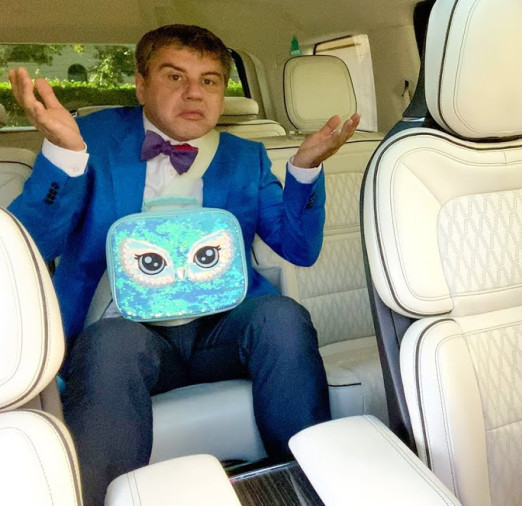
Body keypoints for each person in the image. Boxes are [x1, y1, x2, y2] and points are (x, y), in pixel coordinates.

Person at [8, 24, 360, 505]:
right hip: (127, 332)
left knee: (282, 316)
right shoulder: (90, 139)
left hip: (221, 331)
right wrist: (65, 156)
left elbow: (299, 249)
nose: (195, 93)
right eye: (175, 77)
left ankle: (310, 486)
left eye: (210, 81)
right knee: (112, 343)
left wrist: (304, 169)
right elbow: (30, 245)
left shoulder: (246, 157)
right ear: (140, 84)